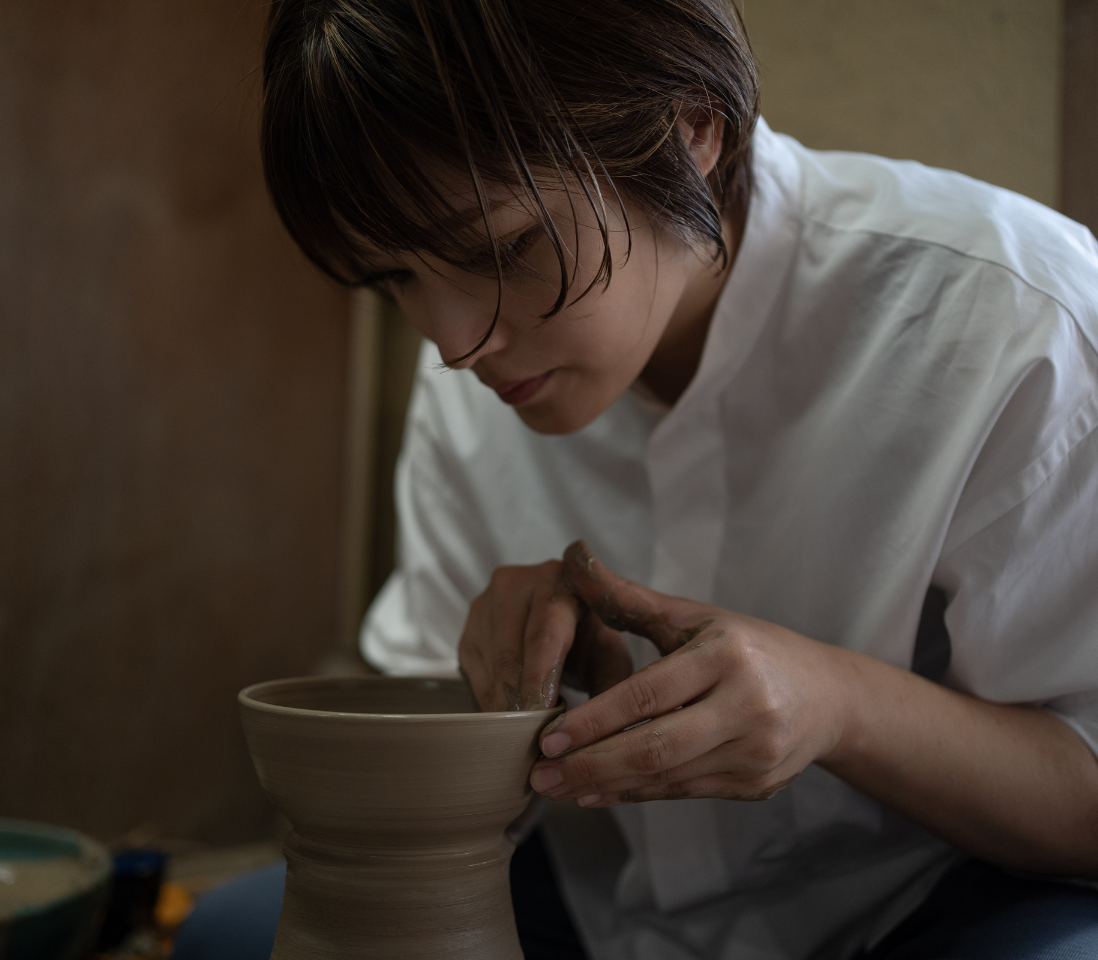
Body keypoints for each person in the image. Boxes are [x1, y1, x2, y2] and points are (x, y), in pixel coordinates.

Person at [174, 1, 1098, 958]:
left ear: (690, 126)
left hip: (935, 909)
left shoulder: (1018, 326)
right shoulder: (480, 355)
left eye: (502, 249)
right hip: (595, 901)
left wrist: (841, 706)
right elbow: (429, 783)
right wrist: (494, 691)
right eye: (394, 277)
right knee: (226, 939)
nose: (452, 343)